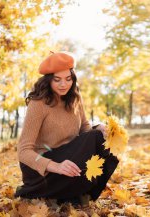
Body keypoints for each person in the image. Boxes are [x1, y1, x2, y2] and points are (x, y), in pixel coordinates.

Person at [14, 51, 119, 207]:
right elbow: (23, 151)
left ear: (73, 78)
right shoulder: (38, 104)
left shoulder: (75, 97)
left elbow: (85, 130)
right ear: (48, 80)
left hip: (69, 157)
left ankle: (79, 194)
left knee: (103, 143)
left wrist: (99, 127)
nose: (64, 84)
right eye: (57, 80)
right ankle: (35, 192)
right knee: (95, 138)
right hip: (40, 167)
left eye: (68, 79)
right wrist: (55, 166)